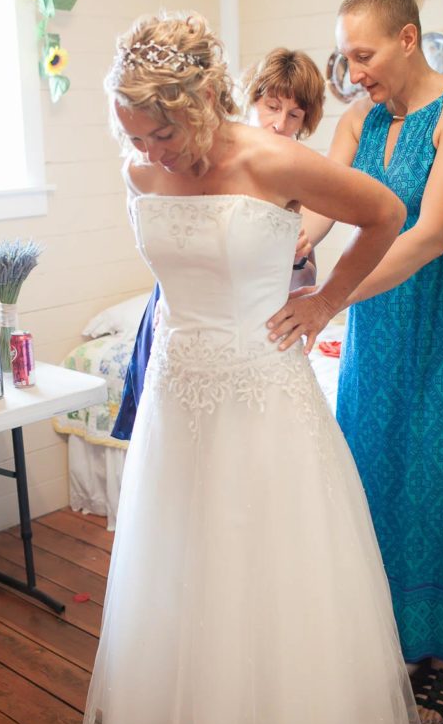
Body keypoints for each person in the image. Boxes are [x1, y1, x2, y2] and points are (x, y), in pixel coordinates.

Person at [75, 11, 425, 724]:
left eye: (158, 132)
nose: (146, 151)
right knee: (186, 557)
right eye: (133, 134)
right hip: (177, 387)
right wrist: (145, 160)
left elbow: (384, 212)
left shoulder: (269, 158)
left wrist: (326, 300)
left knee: (269, 561)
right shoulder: (140, 168)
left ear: (197, 105)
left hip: (261, 386)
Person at [267, 0, 443, 724]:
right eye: (345, 56)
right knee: (372, 473)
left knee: (442, 475)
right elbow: (320, 209)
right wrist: (282, 249)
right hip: (374, 329)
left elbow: (429, 234)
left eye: (362, 54)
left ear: (407, 40)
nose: (353, 70)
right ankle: (394, 637)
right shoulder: (359, 119)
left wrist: (329, 299)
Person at [111, 46, 324, 441]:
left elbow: (300, 278)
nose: (279, 123)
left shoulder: (292, 167)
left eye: (294, 115)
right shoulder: (197, 157)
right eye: (272, 106)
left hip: (251, 336)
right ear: (251, 98)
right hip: (182, 316)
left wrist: (301, 258)